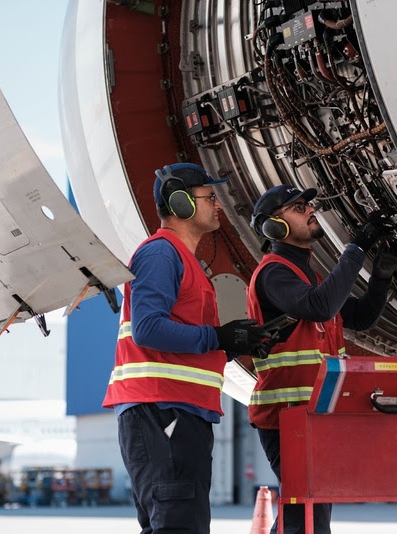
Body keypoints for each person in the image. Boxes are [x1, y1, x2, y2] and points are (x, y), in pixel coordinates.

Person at [103, 162, 272, 534]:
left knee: (178, 522)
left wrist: (234, 344)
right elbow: (148, 329)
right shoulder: (161, 254)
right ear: (181, 203)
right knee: (178, 524)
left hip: (174, 410)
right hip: (162, 410)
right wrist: (217, 337)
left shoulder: (180, 259)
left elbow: (185, 342)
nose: (218, 205)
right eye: (210, 197)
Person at [246, 184, 397, 534]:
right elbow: (321, 307)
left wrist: (381, 276)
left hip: (313, 417)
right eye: (298, 207)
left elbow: (359, 317)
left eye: (308, 205)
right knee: (307, 520)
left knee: (305, 517)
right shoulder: (273, 274)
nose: (311, 210)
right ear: (274, 226)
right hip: (287, 418)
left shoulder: (308, 278)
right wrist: (356, 247)